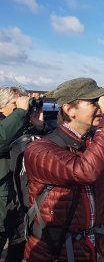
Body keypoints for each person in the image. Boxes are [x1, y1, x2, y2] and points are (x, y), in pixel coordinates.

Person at [23, 78, 104, 262]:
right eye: (93, 102)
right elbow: (85, 171)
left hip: (94, 249)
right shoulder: (40, 150)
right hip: (54, 253)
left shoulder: (96, 143)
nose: (100, 107)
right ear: (69, 110)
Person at [0, 86, 45, 261]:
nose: (23, 107)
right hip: (2, 208)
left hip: (21, 206)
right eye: (15, 103)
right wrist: (19, 113)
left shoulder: (22, 126)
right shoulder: (9, 126)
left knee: (17, 255)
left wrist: (39, 128)